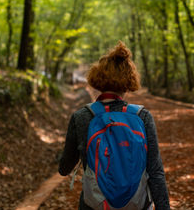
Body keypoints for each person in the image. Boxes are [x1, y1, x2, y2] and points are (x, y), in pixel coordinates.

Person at [58, 41, 170, 210]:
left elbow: (65, 168)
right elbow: (155, 172)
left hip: (95, 204)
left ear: (97, 80)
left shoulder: (82, 116)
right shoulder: (142, 117)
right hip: (136, 204)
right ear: (128, 81)